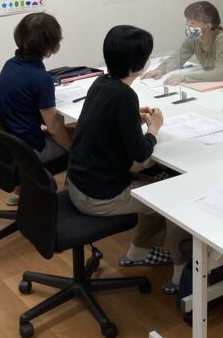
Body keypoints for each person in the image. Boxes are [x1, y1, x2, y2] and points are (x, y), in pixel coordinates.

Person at [67, 25, 189, 295]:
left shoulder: (101, 83)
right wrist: (154, 128)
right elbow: (141, 153)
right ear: (139, 64)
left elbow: (107, 124)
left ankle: (139, 252)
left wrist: (133, 118)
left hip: (78, 183)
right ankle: (182, 272)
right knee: (172, 197)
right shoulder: (124, 95)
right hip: (98, 197)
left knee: (158, 181)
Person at [0, 13, 71, 201]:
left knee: (72, 133)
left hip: (5, 146)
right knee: (83, 143)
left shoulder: (10, 64)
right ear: (51, 45)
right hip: (27, 150)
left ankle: (26, 192)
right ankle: (72, 198)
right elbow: (53, 128)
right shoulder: (41, 78)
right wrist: (76, 150)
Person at [141, 0, 223, 84]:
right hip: (212, 82)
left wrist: (184, 78)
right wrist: (160, 69)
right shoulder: (194, 37)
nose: (187, 25)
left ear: (207, 27)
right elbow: (178, 58)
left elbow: (220, 73)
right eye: (187, 20)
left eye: (192, 22)